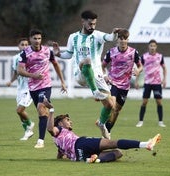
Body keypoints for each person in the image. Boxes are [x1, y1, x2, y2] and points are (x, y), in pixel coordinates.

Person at [52, 10, 121, 139]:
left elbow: (110, 38)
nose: (92, 27)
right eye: (90, 24)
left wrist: (114, 33)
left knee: (110, 105)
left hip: (97, 75)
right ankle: (94, 91)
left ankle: (101, 124)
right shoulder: (73, 37)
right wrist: (58, 54)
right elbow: (69, 54)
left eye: (94, 24)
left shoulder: (98, 35)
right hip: (81, 74)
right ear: (83, 21)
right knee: (87, 60)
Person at [43, 97, 161, 163]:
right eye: (67, 119)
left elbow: (60, 155)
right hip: (81, 143)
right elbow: (50, 128)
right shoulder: (58, 129)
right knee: (112, 143)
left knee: (118, 153)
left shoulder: (58, 142)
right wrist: (52, 110)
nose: (70, 121)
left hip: (80, 157)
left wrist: (59, 157)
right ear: (59, 123)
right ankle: (146, 144)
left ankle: (95, 160)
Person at [18, 29, 67, 148]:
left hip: (45, 85)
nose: (37, 41)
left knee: (41, 107)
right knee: (42, 112)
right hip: (32, 87)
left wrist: (62, 82)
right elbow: (20, 70)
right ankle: (57, 129)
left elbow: (55, 64)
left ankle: (40, 140)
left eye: (39, 38)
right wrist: (33, 75)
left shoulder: (47, 51)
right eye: (35, 38)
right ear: (30, 39)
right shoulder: (25, 53)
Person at [102, 29, 143, 137]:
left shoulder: (133, 52)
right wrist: (105, 76)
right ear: (117, 40)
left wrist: (138, 71)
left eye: (125, 39)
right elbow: (102, 66)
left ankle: (107, 131)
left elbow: (140, 66)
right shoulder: (111, 52)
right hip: (113, 82)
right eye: (121, 38)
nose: (123, 41)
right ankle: (102, 124)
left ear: (128, 40)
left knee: (117, 111)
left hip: (125, 86)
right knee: (113, 105)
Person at [6, 38, 35, 140]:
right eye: (22, 44)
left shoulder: (32, 56)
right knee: (19, 113)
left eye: (26, 44)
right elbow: (16, 72)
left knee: (19, 110)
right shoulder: (15, 58)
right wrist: (11, 81)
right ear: (18, 46)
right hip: (20, 88)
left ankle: (30, 124)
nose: (25, 46)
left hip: (30, 87)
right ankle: (27, 131)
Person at [135, 39, 167, 128]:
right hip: (147, 83)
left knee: (159, 102)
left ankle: (160, 122)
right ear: (148, 47)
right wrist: (137, 81)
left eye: (154, 46)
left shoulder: (160, 57)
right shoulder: (144, 57)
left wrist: (164, 80)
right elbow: (139, 68)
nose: (152, 47)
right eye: (151, 46)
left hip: (157, 83)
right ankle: (140, 121)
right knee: (144, 102)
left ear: (156, 47)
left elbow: (164, 68)